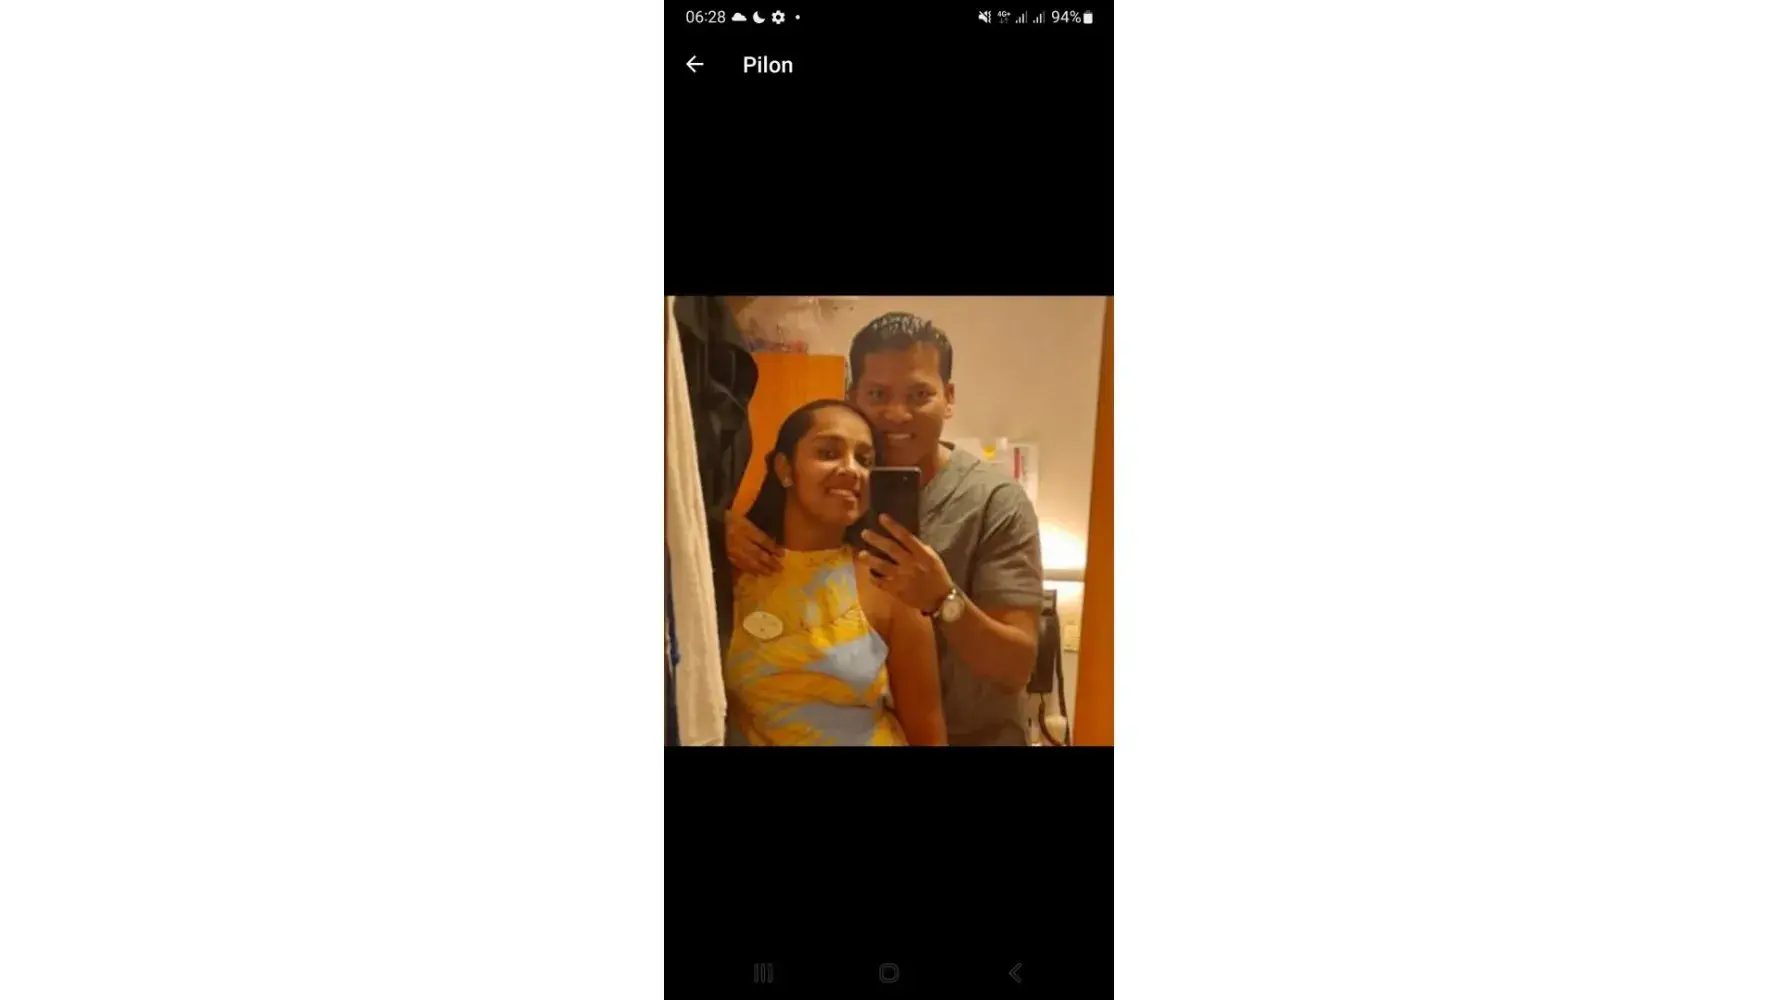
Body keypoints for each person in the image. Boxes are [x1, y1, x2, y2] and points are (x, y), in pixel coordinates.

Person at [727, 314, 1043, 746]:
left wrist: (942, 600)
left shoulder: (994, 502)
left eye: (919, 394)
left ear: (949, 398)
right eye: (878, 394)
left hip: (979, 736)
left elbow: (1016, 668)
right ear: (852, 396)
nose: (897, 414)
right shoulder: (836, 501)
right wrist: (716, 527)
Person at [723, 398, 947, 746]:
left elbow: (927, 731)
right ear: (785, 468)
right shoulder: (736, 573)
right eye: (828, 453)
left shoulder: (888, 582)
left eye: (865, 460)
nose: (852, 470)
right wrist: (714, 528)